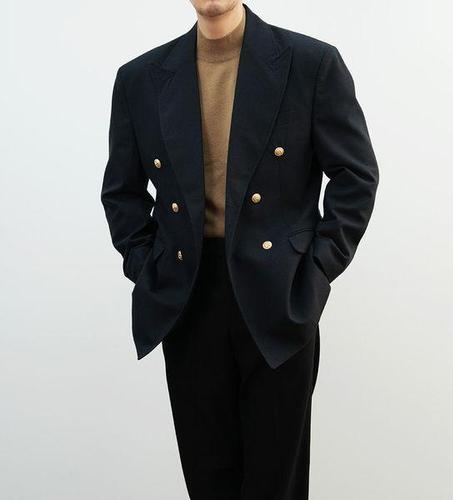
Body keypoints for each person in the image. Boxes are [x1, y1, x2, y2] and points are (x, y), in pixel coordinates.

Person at [101, 1, 379, 498]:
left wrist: (315, 271)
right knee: (208, 480)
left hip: (279, 295)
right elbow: (122, 193)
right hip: (186, 297)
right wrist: (148, 267)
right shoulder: (139, 79)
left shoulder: (311, 63)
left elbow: (355, 178)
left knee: (276, 484)